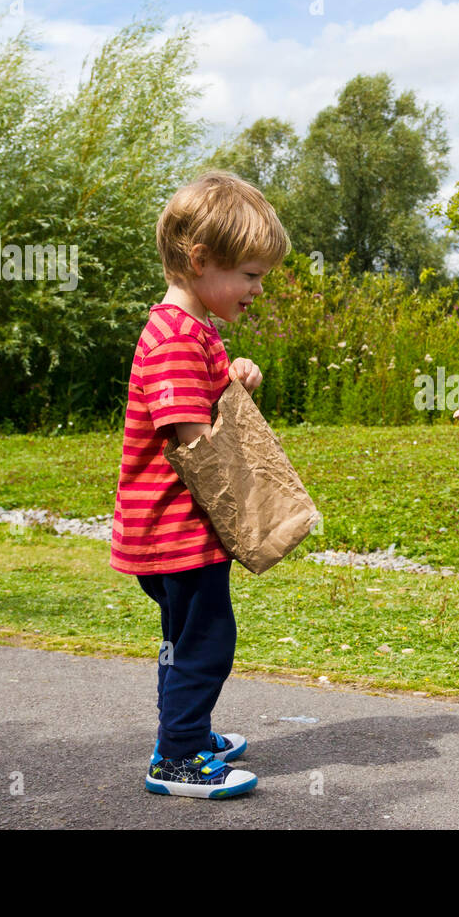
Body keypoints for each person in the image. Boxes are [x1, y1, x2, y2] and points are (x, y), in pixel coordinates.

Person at [109, 170, 290, 799]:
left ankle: (183, 733)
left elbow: (203, 400)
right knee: (207, 641)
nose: (257, 289)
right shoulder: (175, 340)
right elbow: (194, 442)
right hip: (179, 529)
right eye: (249, 274)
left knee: (181, 640)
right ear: (200, 259)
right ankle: (178, 759)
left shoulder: (190, 330)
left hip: (170, 530)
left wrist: (232, 377)